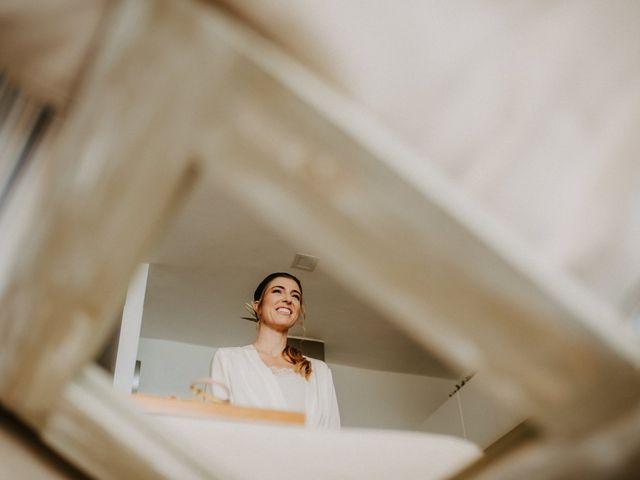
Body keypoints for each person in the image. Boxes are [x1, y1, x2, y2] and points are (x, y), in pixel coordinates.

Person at [210, 272, 341, 429]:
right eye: (277, 291)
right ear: (257, 306)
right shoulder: (228, 359)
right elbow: (214, 427)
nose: (288, 299)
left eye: (295, 296)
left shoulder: (320, 371)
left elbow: (332, 433)